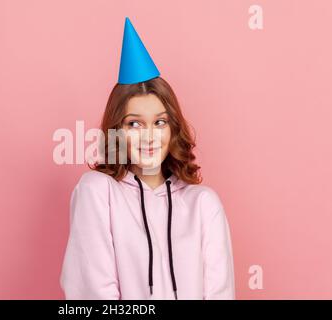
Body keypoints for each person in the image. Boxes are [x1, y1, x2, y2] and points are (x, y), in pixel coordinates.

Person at [59, 17, 235, 300]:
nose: (149, 136)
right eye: (135, 124)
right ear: (117, 131)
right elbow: (92, 293)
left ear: (173, 128)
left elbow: (219, 293)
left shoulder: (203, 204)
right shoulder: (98, 191)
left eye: (160, 122)